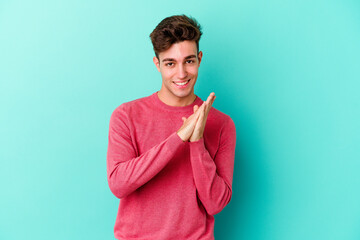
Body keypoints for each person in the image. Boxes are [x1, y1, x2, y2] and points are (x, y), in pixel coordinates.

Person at [106, 14, 236, 240]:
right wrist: (179, 137)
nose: (182, 73)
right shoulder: (126, 116)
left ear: (199, 58)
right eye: (170, 63)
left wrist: (196, 142)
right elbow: (118, 184)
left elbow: (216, 203)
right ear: (157, 64)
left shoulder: (222, 124)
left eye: (189, 61)